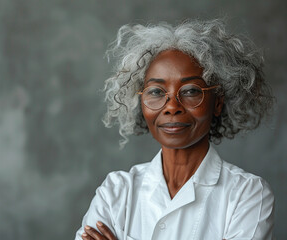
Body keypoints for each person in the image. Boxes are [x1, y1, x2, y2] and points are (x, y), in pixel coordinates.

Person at [75, 19, 274, 240]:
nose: (172, 107)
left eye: (190, 91)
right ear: (140, 101)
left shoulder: (247, 194)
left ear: (217, 102)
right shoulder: (116, 191)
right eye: (156, 92)